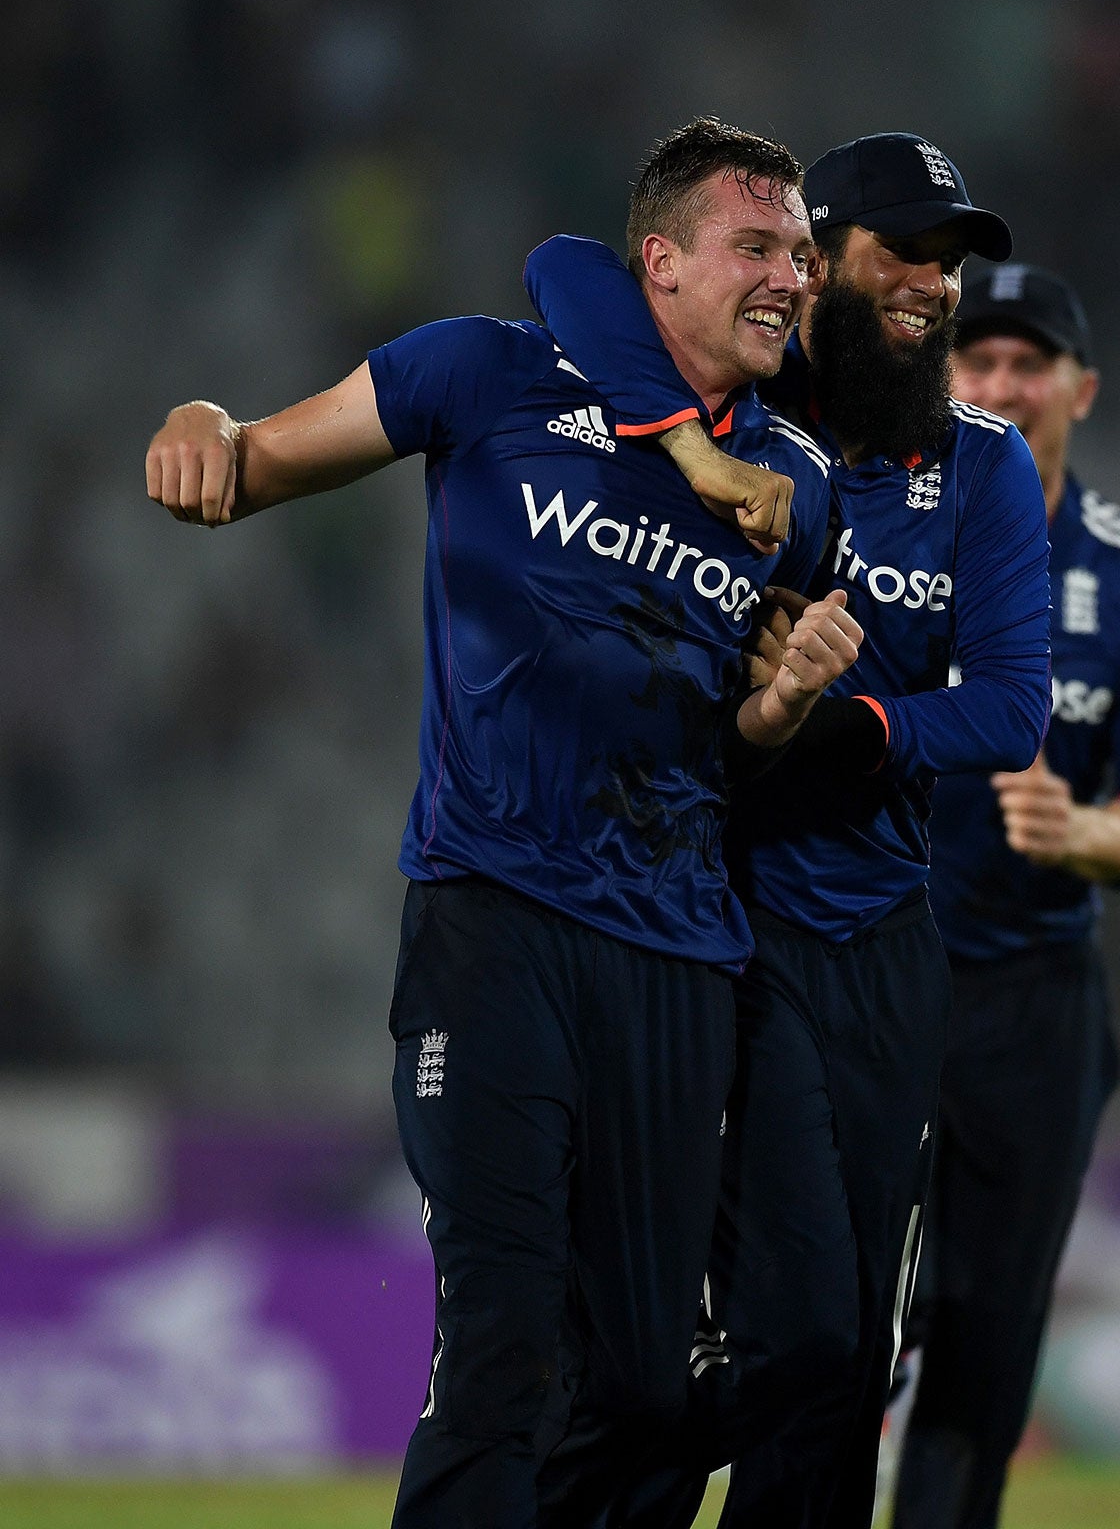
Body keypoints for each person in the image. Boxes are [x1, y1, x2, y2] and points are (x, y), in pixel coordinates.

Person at [143, 119, 862, 1529]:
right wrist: (199, 423)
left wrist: (778, 712)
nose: (792, 275)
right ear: (659, 263)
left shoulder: (802, 485)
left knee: (651, 1388)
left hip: (678, 955)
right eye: (757, 247)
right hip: (497, 925)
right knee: (505, 1346)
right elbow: (256, 459)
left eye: (802, 253)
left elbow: (738, 747)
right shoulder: (486, 374)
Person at [523, 132, 1052, 1527]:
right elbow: (568, 270)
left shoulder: (983, 468)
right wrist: (693, 448)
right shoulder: (743, 412)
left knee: (842, 1356)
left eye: (952, 263)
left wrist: (858, 731)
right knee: (732, 1337)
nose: (937, 287)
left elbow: (1008, 710)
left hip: (882, 945)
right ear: (816, 266)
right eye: (904, 256)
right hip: (712, 923)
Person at [883, 266, 1120, 1529]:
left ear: (1081, 387)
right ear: (941, 378)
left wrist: (1084, 832)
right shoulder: (872, 529)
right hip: (870, 979)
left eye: (1030, 365)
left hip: (1032, 1004)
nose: (1002, 386)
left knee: (986, 1349)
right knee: (833, 1331)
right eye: (978, 362)